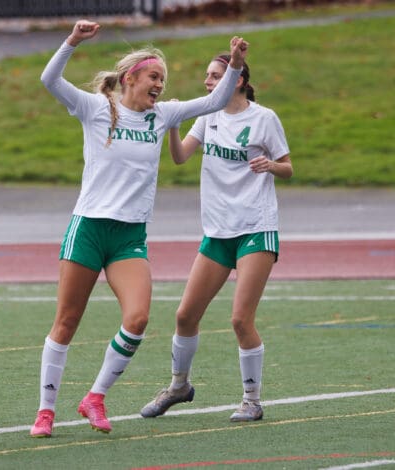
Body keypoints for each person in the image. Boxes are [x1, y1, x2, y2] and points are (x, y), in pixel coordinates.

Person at [30, 19, 249, 437]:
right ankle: (45, 411)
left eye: (163, 80)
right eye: (154, 77)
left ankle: (95, 397)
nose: (160, 86)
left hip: (129, 237)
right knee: (67, 320)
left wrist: (236, 65)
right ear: (131, 77)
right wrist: (72, 41)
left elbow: (217, 100)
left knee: (138, 317)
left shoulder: (163, 116)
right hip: (90, 229)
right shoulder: (95, 108)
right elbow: (50, 79)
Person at [139, 53, 292, 422]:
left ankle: (252, 401)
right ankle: (179, 386)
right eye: (206, 76)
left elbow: (288, 167)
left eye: (215, 76)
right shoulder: (208, 117)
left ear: (236, 80)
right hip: (217, 230)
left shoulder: (264, 118)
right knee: (185, 315)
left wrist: (271, 165)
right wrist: (174, 123)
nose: (207, 82)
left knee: (241, 319)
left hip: (256, 228)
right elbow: (179, 158)